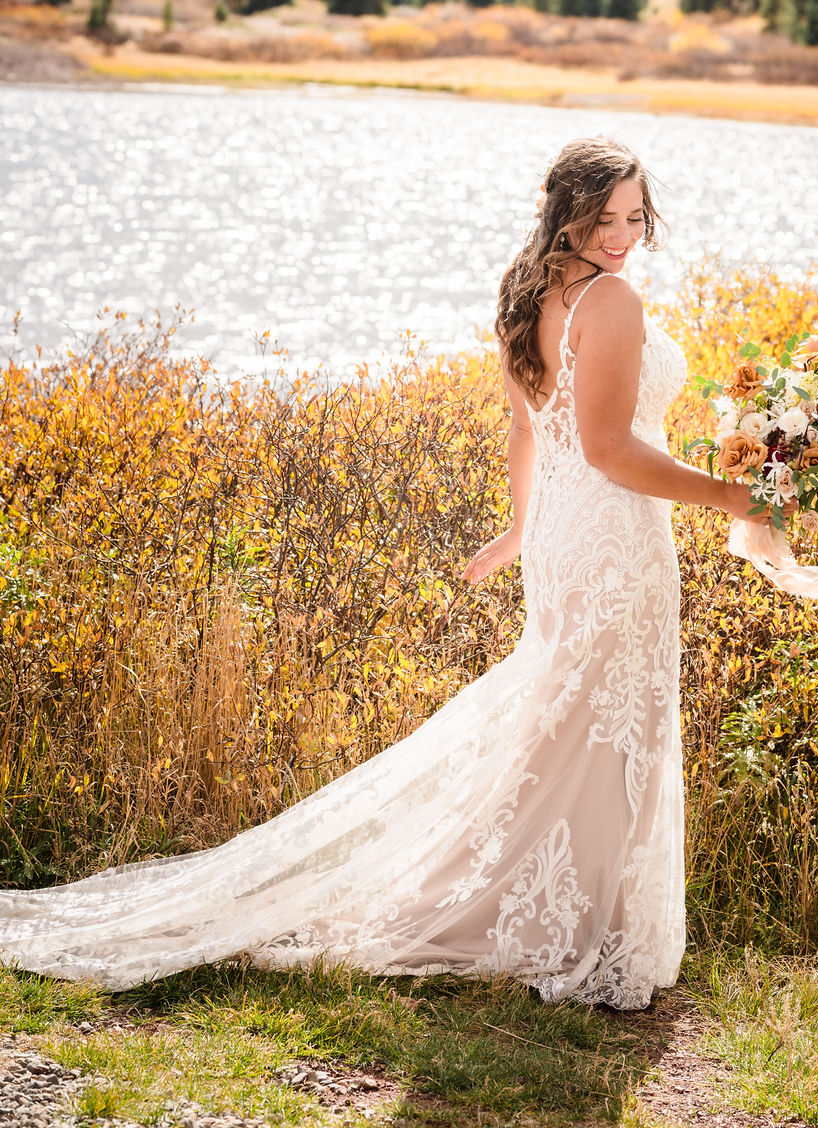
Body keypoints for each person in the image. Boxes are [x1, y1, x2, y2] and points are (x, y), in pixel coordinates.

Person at [0, 137, 773, 1009]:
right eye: (605, 219)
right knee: (596, 720)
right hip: (615, 538)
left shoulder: (528, 293)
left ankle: (554, 906)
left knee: (569, 720)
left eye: (635, 218)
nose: (623, 235)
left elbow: (531, 431)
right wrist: (736, 497)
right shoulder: (612, 300)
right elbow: (607, 448)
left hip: (566, 537)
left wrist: (521, 531)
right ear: (567, 212)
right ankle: (564, 922)